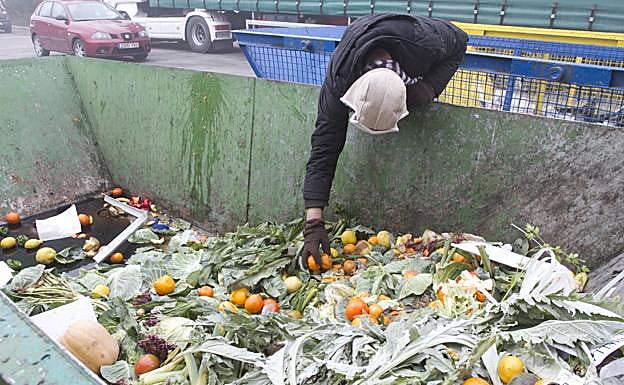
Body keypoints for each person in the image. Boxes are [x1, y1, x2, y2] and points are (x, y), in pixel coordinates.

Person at [302, 13, 468, 265]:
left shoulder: (426, 42)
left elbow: (462, 41)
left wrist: (430, 87)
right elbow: (324, 150)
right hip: (361, 41)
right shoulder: (338, 84)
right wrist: (313, 224)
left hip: (407, 43)